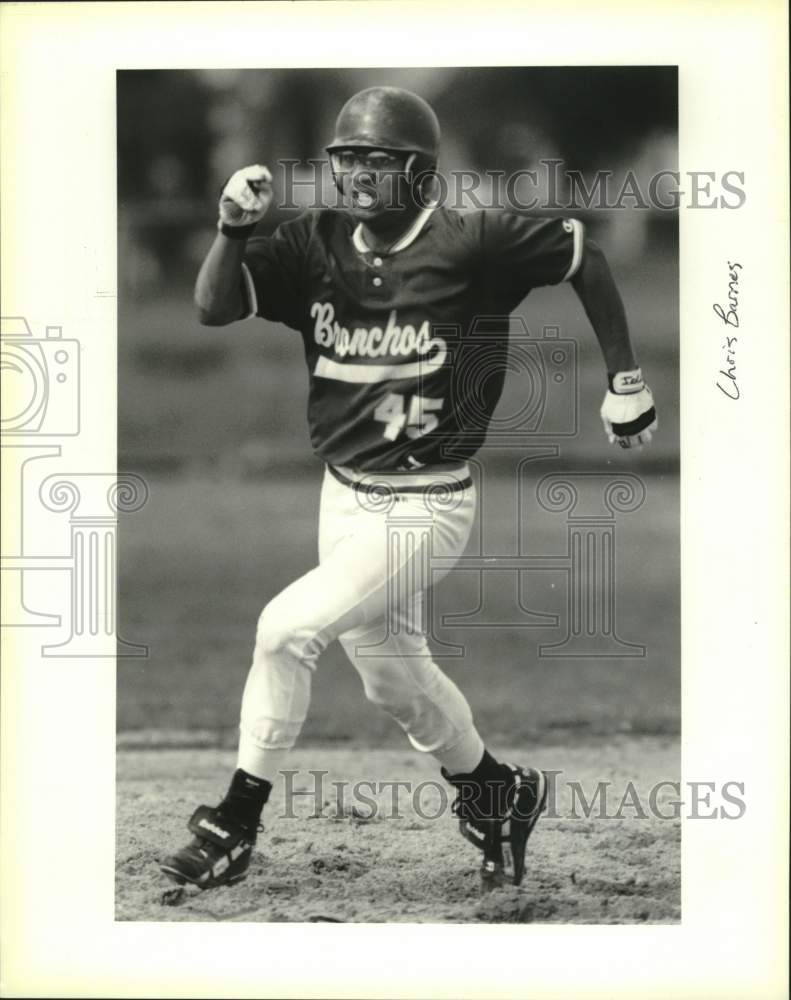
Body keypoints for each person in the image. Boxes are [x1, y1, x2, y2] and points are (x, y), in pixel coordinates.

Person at [160, 86, 656, 892]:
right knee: (391, 675)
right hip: (343, 494)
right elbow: (215, 307)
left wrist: (625, 381)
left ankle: (235, 821)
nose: (356, 173)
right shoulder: (313, 243)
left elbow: (582, 256)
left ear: (420, 173)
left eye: (377, 160)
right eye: (345, 157)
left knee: (284, 631)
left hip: (427, 502)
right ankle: (497, 793)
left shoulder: (472, 239)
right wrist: (231, 228)